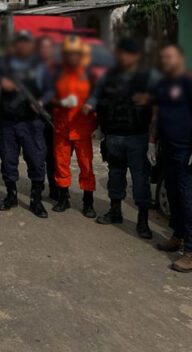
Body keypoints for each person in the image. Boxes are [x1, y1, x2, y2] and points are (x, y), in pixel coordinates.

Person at [87, 37, 157, 237]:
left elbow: (156, 110)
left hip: (137, 138)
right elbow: (100, 101)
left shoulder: (147, 78)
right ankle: (115, 211)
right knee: (115, 176)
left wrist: (152, 140)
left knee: (140, 179)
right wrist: (100, 127)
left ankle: (143, 222)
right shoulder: (108, 77)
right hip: (113, 137)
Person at [0, 31, 53, 218]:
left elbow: (50, 89)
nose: (23, 46)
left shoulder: (39, 65)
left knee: (36, 161)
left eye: (26, 43)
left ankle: (36, 200)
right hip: (9, 122)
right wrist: (1, 81)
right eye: (20, 43)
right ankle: (11, 196)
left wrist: (42, 102)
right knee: (8, 160)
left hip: (32, 122)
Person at [151, 44, 192, 272]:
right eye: (163, 57)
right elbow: (157, 113)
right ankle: (177, 236)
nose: (166, 61)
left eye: (170, 57)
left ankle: (191, 251)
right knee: (173, 195)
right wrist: (151, 140)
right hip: (167, 148)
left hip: (186, 151)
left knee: (188, 199)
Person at [50, 35, 98, 218]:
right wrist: (60, 101)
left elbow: (98, 96)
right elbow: (48, 96)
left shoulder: (89, 74)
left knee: (86, 165)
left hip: (82, 127)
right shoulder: (57, 73)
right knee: (61, 164)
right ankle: (63, 198)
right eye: (68, 53)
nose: (72, 57)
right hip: (61, 127)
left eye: (75, 53)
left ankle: (88, 202)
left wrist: (93, 110)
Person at [37, 35, 62, 202]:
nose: (46, 50)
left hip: (55, 117)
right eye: (43, 47)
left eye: (48, 47)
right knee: (39, 155)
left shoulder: (59, 69)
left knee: (55, 156)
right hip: (36, 117)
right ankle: (38, 189)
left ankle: (57, 189)